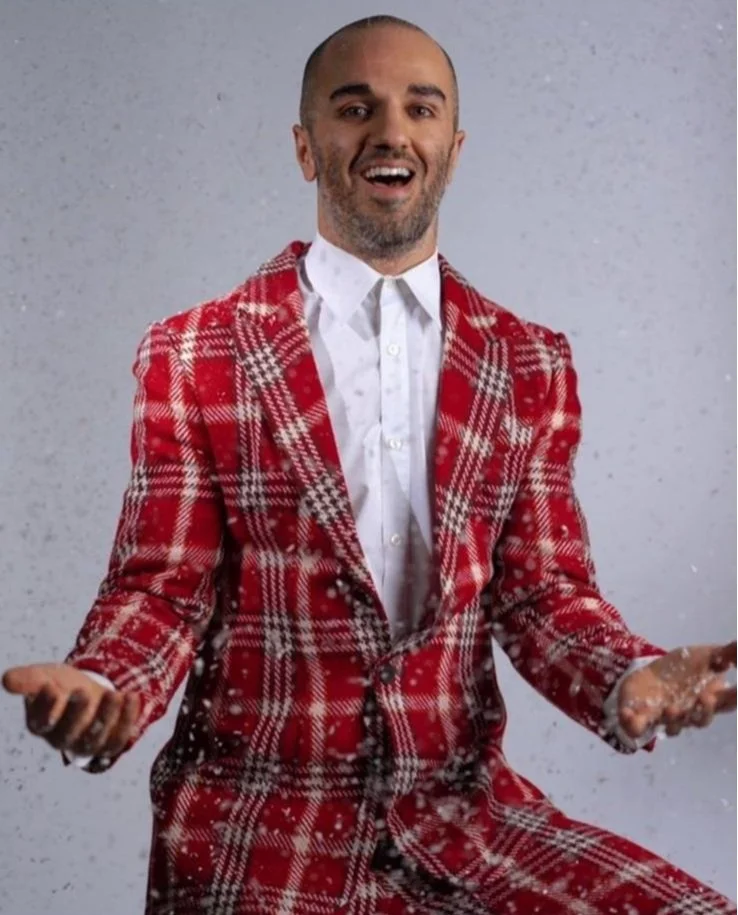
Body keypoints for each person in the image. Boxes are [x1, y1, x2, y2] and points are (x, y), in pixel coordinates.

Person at [2, 14, 736, 915]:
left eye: (419, 109)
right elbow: (163, 588)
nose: (391, 132)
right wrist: (106, 684)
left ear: (452, 149)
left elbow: (542, 593)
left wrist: (631, 677)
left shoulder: (528, 362)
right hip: (260, 826)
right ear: (307, 149)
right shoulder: (195, 353)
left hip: (463, 815)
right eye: (356, 109)